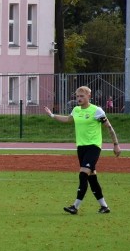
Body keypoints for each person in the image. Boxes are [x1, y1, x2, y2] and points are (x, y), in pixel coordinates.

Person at [44, 86, 121, 214]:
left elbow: (109, 127)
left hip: (93, 147)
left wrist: (116, 144)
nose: (79, 98)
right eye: (77, 96)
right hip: (81, 148)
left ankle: (75, 206)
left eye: (82, 96)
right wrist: (52, 115)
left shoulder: (97, 111)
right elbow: (67, 119)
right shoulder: (76, 110)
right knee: (92, 178)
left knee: (83, 174)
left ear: (89, 97)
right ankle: (104, 206)